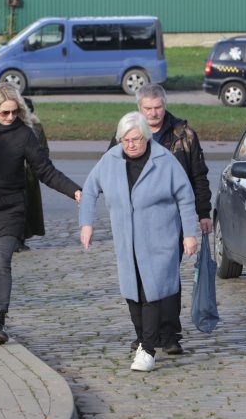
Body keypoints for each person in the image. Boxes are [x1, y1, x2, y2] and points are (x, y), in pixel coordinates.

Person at [0, 83, 82, 345]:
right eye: (4, 113)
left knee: (1, 262)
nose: (10, 117)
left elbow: (46, 171)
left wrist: (75, 191)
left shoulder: (24, 135)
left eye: (14, 112)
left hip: (9, 209)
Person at [81, 112, 199, 372]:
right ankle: (144, 340)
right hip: (126, 240)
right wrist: (86, 224)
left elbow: (185, 197)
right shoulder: (110, 160)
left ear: (146, 137)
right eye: (125, 140)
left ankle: (147, 349)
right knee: (132, 293)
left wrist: (190, 234)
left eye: (135, 139)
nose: (131, 144)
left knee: (151, 293)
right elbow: (89, 190)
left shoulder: (164, 160)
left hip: (161, 239)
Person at [110, 83, 213, 355]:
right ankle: (146, 334)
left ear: (164, 106)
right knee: (139, 278)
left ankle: (169, 334)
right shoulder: (127, 134)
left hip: (173, 220)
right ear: (139, 108)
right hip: (136, 222)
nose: (154, 113)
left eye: (158, 108)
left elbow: (198, 176)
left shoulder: (183, 135)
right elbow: (112, 172)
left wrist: (203, 213)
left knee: (166, 278)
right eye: (148, 109)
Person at [18, 97, 48, 251]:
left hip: (30, 175)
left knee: (28, 207)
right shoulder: (13, 126)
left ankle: (22, 238)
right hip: (14, 174)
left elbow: (44, 150)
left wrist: (38, 167)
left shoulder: (36, 126)